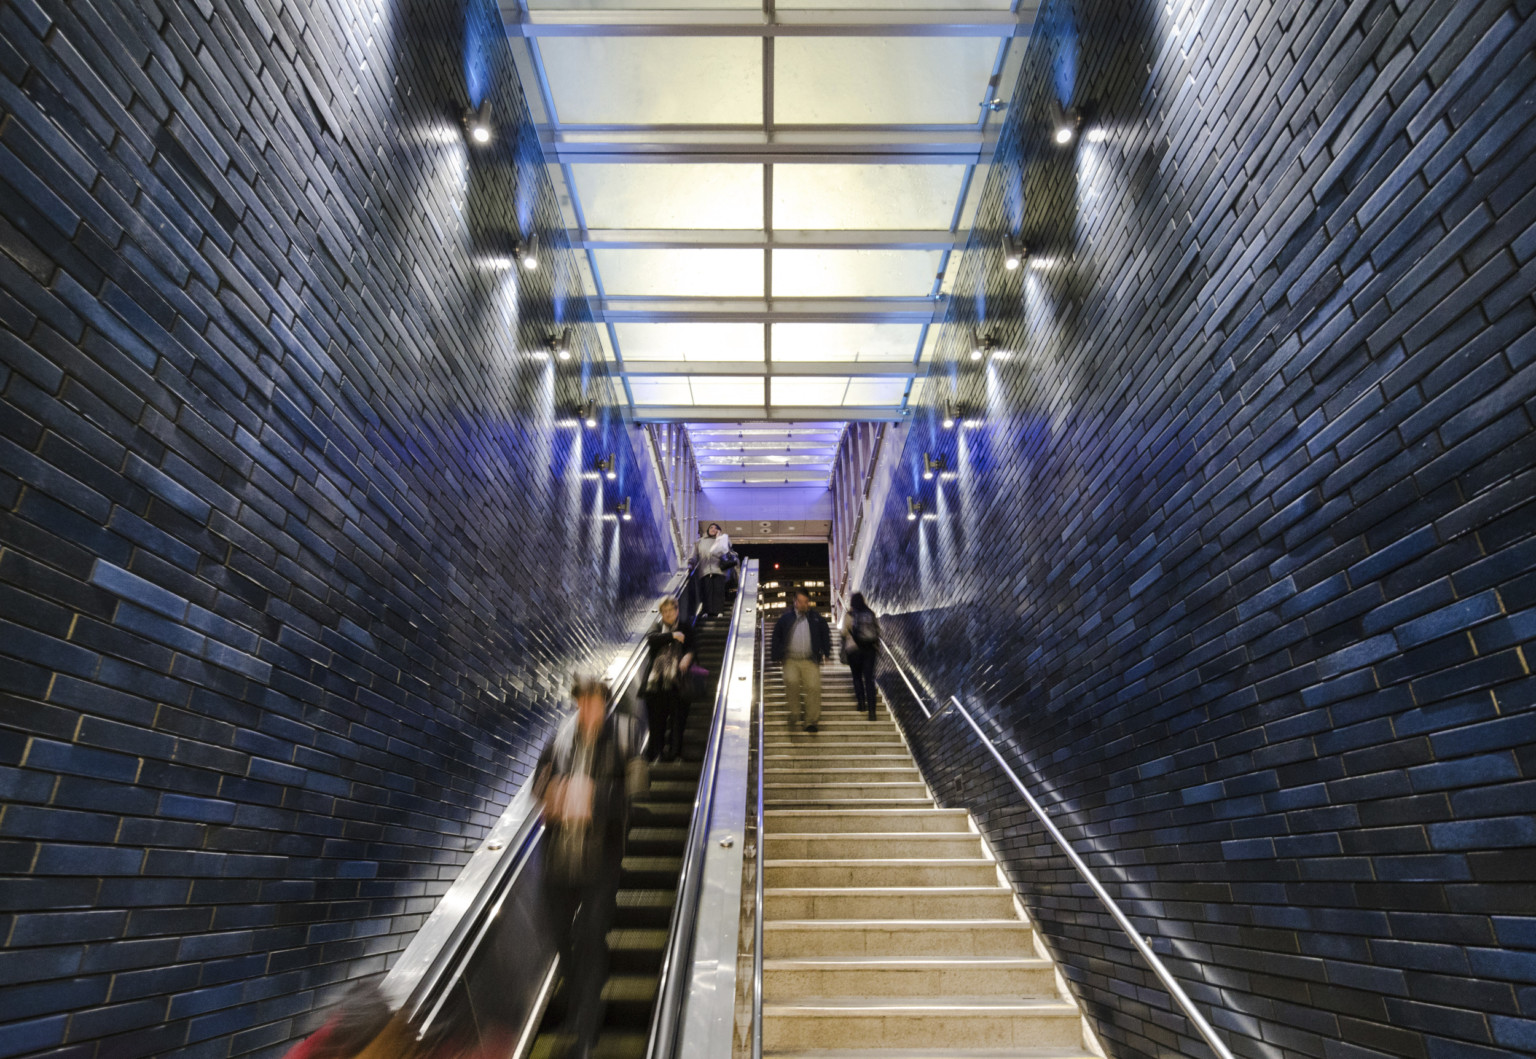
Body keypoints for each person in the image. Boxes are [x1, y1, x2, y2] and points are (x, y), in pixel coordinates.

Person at [533, 677, 645, 1059]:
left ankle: (585, 1030)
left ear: (606, 704)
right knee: (563, 939)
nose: (588, 710)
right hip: (558, 857)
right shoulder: (558, 738)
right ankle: (578, 1007)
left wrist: (593, 796)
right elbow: (539, 786)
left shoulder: (625, 735)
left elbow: (637, 791)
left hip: (600, 860)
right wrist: (552, 794)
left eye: (594, 703)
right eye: (582, 703)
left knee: (592, 936)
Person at [770, 588, 831, 732]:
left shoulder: (816, 618)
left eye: (806, 602)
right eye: (800, 602)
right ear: (795, 602)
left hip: (810, 660)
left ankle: (811, 721)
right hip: (790, 659)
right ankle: (794, 712)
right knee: (791, 683)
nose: (803, 605)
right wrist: (776, 655)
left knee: (813, 688)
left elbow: (825, 634)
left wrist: (826, 652)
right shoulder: (786, 619)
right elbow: (776, 636)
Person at [642, 597, 695, 762]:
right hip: (656, 685)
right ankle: (656, 754)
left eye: (671, 610)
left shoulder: (686, 627)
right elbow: (651, 639)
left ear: (677, 610)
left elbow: (692, 646)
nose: (668, 614)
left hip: (678, 683)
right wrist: (672, 635)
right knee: (656, 722)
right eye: (665, 612)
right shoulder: (657, 627)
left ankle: (675, 754)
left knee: (678, 720)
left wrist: (688, 656)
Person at [840, 593, 882, 720]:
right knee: (869, 680)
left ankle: (862, 704)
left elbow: (843, 632)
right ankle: (872, 712)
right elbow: (878, 630)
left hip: (854, 651)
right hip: (870, 650)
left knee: (857, 678)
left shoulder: (849, 615)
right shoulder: (870, 613)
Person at [693, 523, 730, 618]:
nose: (713, 529)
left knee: (719, 591)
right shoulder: (700, 541)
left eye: (716, 528)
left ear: (719, 531)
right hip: (705, 570)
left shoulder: (722, 541)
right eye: (711, 527)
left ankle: (719, 611)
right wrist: (690, 562)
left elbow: (725, 553)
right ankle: (706, 611)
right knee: (706, 591)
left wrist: (719, 538)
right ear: (708, 530)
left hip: (718, 569)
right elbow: (695, 555)